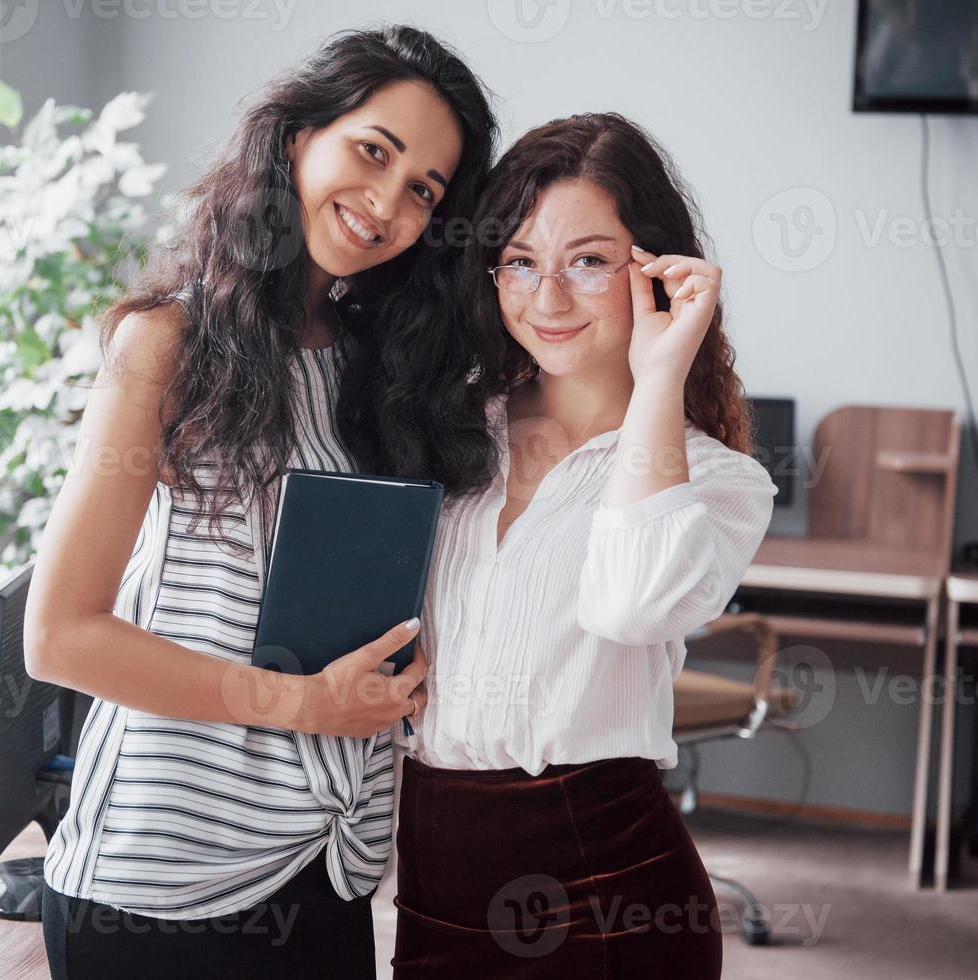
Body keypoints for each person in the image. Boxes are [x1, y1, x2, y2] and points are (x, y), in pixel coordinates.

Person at [23, 25, 500, 980]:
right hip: (161, 882)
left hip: (325, 866)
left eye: (424, 192)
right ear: (296, 139)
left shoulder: (379, 368)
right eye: (374, 150)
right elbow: (60, 635)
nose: (386, 203)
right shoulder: (166, 345)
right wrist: (303, 704)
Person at [392, 112, 778, 978]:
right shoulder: (452, 433)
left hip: (606, 888)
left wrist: (660, 374)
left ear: (657, 271)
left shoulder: (718, 481)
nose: (548, 297)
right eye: (521, 261)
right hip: (434, 879)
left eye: (590, 261)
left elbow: (632, 604)